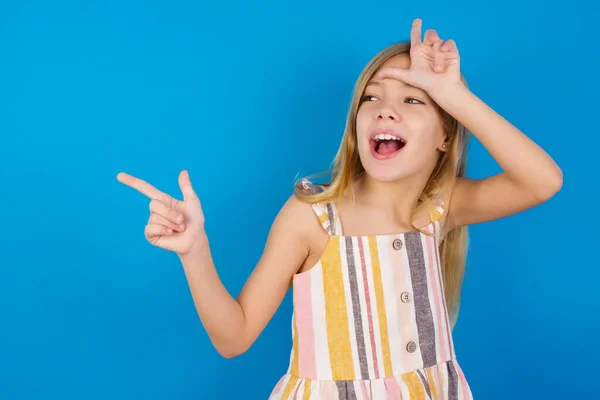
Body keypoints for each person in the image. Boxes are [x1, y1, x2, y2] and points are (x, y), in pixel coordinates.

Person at [117, 18, 562, 399]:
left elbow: (543, 181)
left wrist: (452, 94)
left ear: (445, 136)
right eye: (371, 98)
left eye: (412, 99)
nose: (385, 111)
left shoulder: (438, 210)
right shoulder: (311, 217)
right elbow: (233, 337)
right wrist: (194, 251)